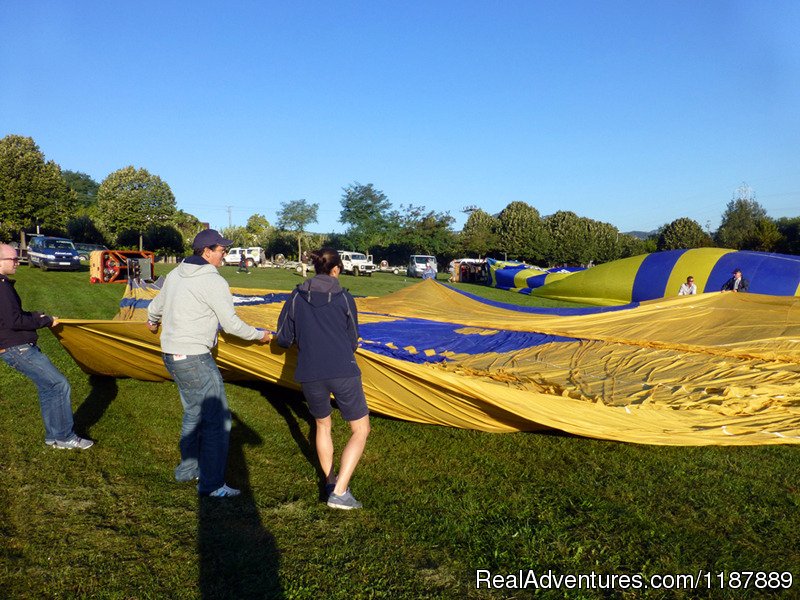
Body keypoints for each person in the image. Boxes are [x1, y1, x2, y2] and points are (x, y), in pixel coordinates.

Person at [146, 229, 271, 498]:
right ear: (206, 251)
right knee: (218, 420)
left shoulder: (176, 274)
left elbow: (155, 306)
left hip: (170, 354)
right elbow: (232, 325)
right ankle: (212, 484)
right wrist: (261, 335)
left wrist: (152, 321)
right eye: (221, 250)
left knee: (194, 412)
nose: (224, 255)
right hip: (193, 357)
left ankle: (187, 470)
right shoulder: (214, 282)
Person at [276, 247, 370, 510]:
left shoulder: (295, 296)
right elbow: (353, 339)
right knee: (360, 429)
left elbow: (283, 338)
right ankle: (340, 492)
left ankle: (330, 482)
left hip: (309, 373)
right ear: (336, 269)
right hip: (343, 370)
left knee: (323, 425)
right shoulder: (344, 297)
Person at [0, 243, 93, 449]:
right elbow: (15, 321)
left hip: (14, 348)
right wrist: (46, 321)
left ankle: (54, 436)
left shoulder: (3, 285)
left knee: (48, 387)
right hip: (18, 349)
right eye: (13, 259)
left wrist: (35, 315)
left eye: (17, 258)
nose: (17, 262)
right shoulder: (2, 287)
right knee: (59, 385)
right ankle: (65, 437)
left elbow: (10, 316)